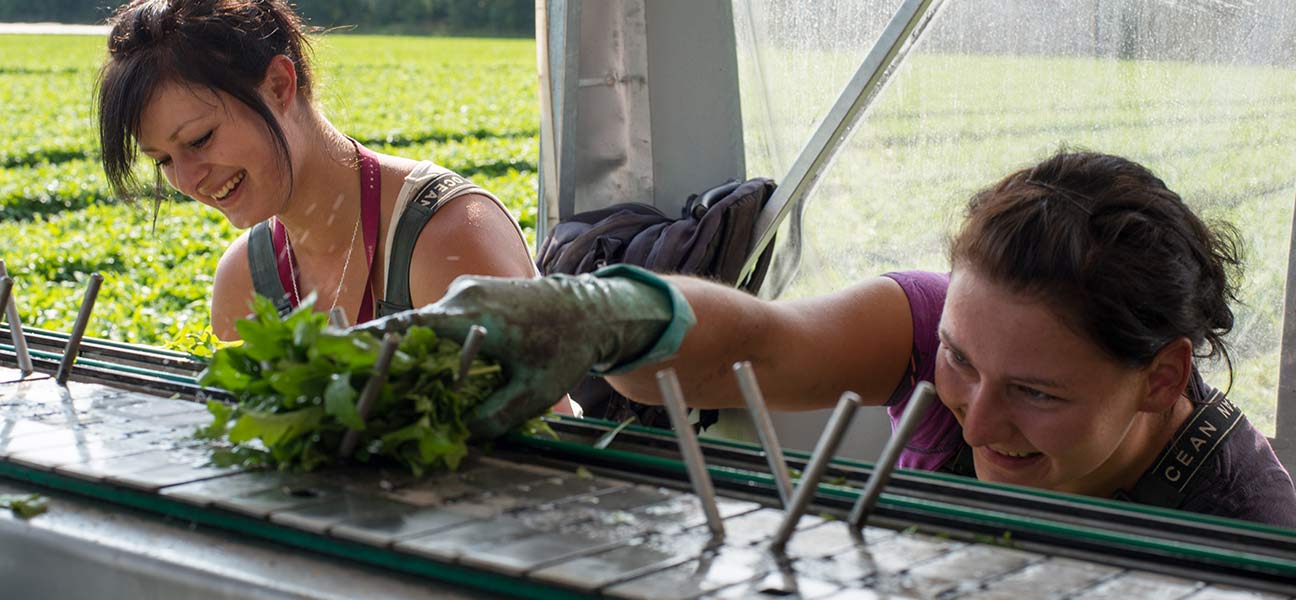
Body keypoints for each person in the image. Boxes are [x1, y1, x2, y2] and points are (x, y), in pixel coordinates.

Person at [356, 150, 1296, 527]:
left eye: (1040, 394)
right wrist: (612, 317)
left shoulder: (1249, 527)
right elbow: (756, 347)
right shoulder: (930, 328)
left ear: (1162, 377)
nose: (977, 420)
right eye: (961, 364)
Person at [94, 0, 537, 341]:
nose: (188, 180)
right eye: (163, 161)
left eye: (199, 140)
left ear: (279, 86)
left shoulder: (447, 239)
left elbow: (545, 446)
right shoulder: (245, 280)